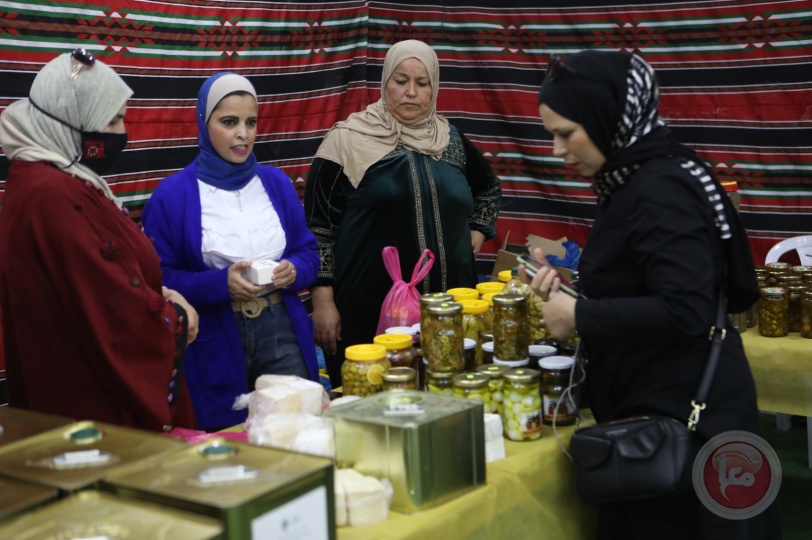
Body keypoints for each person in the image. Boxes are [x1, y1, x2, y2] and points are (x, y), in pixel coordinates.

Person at [526, 51, 781, 539]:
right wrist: (575, 295)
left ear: (606, 118)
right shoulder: (638, 178)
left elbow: (686, 309)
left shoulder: (661, 187)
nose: (558, 150)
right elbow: (651, 283)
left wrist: (580, 316)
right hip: (666, 412)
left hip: (688, 424)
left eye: (565, 133)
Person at [0, 49, 197, 432]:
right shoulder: (55, 196)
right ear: (72, 121)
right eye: (112, 119)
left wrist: (159, 293)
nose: (121, 134)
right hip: (96, 415)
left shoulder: (55, 179)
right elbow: (109, 310)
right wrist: (175, 318)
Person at [304, 39, 501, 385]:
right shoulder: (347, 141)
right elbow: (318, 228)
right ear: (384, 83)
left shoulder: (449, 138)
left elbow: (488, 188)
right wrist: (323, 302)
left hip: (447, 305)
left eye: (422, 83)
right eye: (400, 81)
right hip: (369, 307)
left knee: (448, 393)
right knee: (376, 399)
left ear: (434, 87)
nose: (411, 92)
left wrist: (478, 230)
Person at [142, 72, 320, 431]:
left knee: (299, 432)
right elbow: (159, 279)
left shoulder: (276, 184)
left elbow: (308, 251)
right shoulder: (172, 196)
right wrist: (219, 285)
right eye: (229, 122)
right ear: (204, 124)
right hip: (214, 339)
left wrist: (294, 270)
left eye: (250, 122)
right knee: (226, 440)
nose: (243, 133)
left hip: (280, 329)